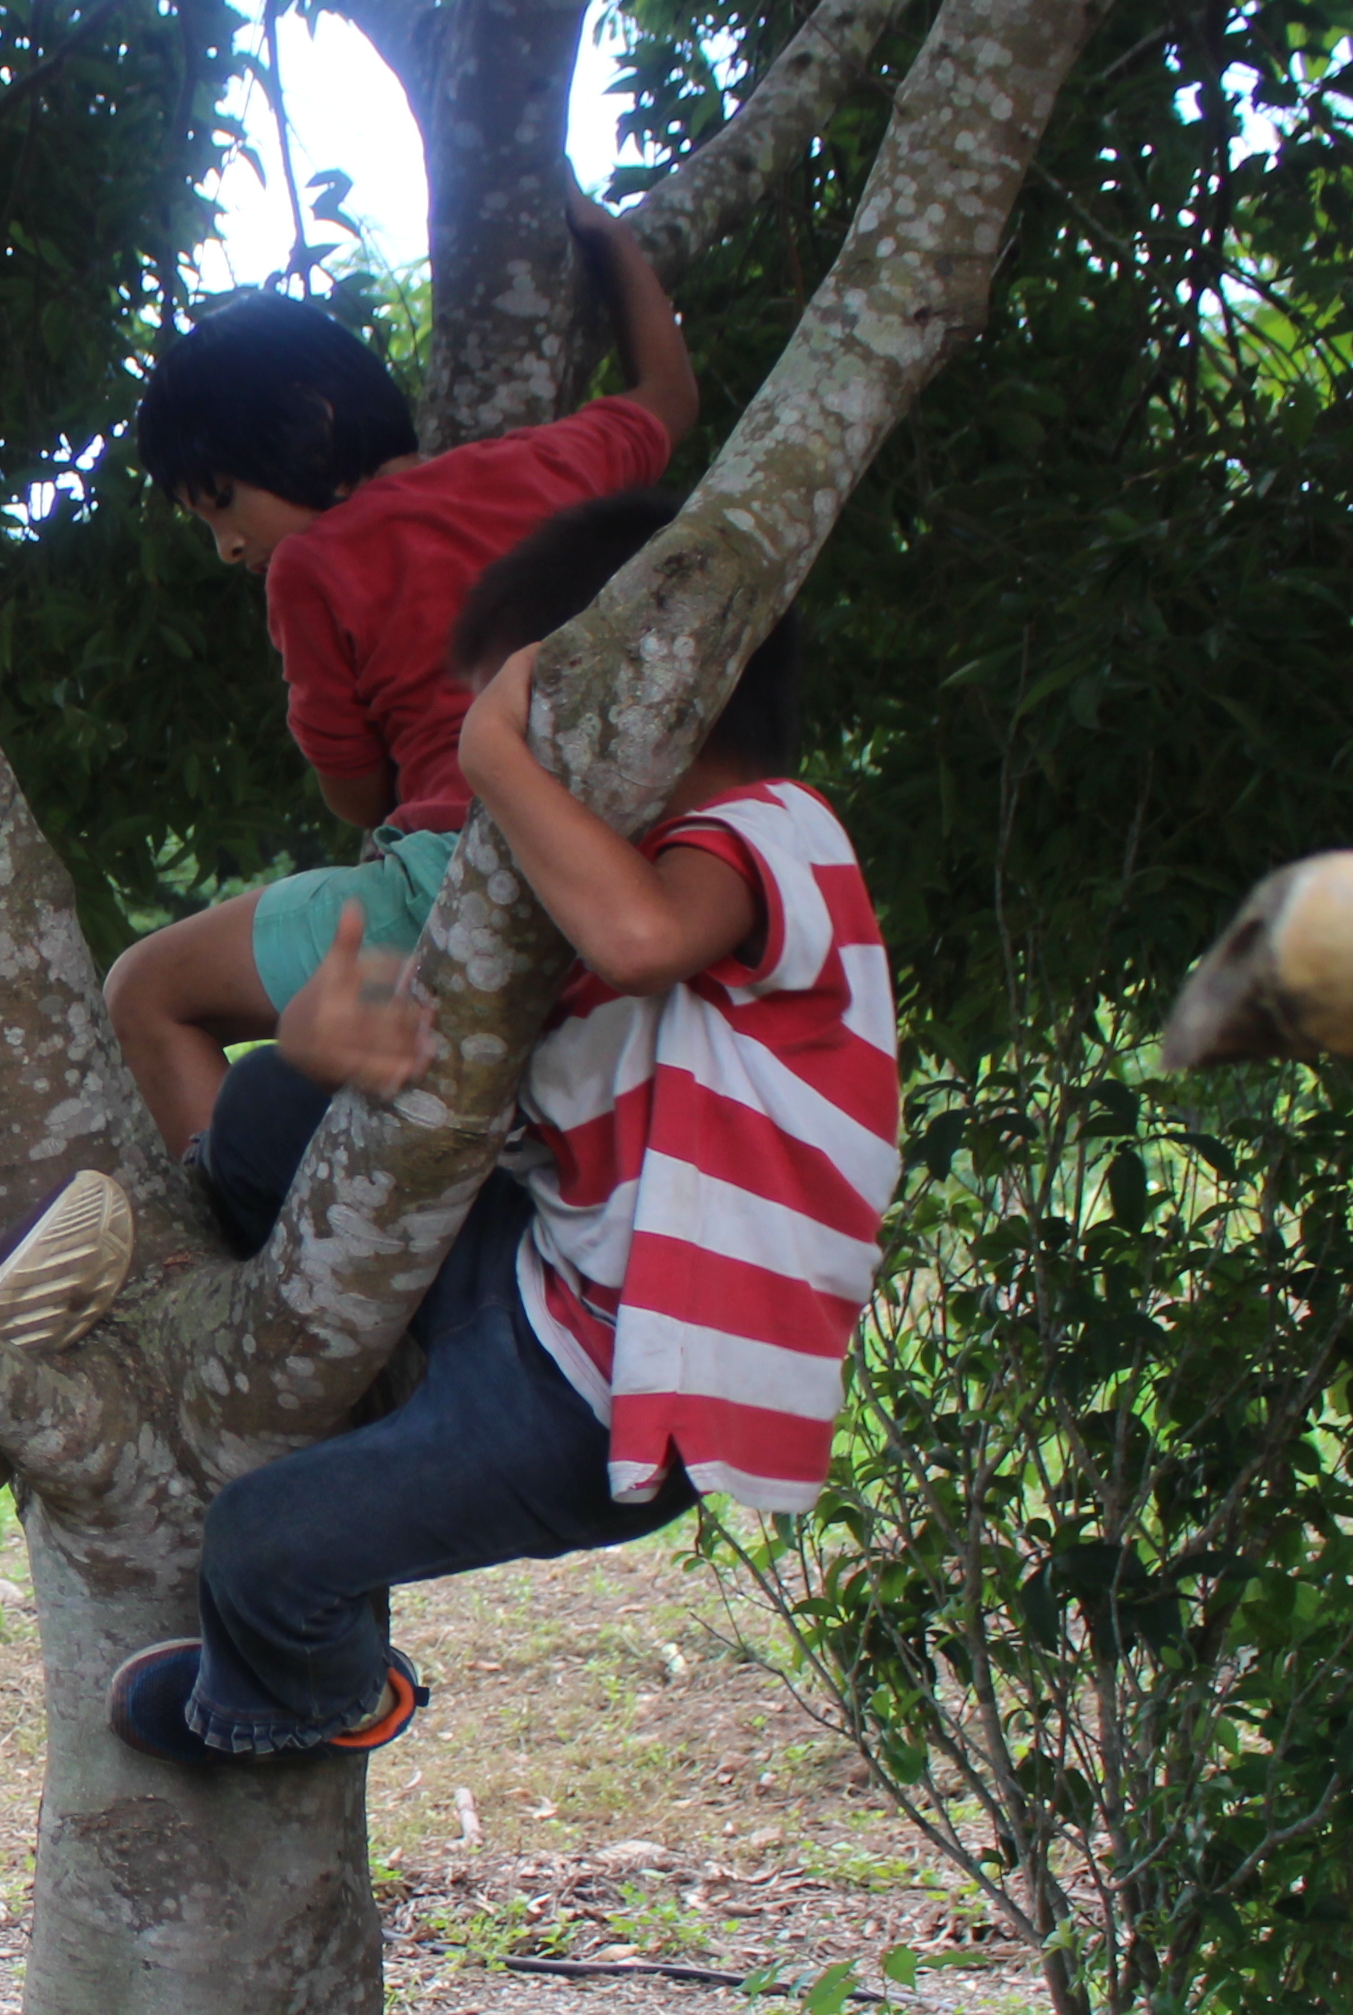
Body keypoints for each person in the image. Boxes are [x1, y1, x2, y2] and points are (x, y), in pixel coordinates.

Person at [105, 495, 900, 1766]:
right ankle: (328, 1385)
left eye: (521, 724)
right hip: (534, 1287)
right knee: (266, 1109)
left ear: (645, 708)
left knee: (261, 1547)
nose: (482, 803)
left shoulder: (776, 832)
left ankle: (306, 1696)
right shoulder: (571, 935)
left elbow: (642, 938)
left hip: (607, 1389)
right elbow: (434, 1086)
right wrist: (329, 1043)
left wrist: (494, 757)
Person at [99, 214, 700, 1149]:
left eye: (223, 504)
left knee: (144, 991)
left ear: (309, 427)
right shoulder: (554, 462)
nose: (227, 547)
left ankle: (224, 1237)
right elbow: (668, 396)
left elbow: (358, 791)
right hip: (624, 860)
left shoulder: (314, 565)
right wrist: (612, 241)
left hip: (449, 878)